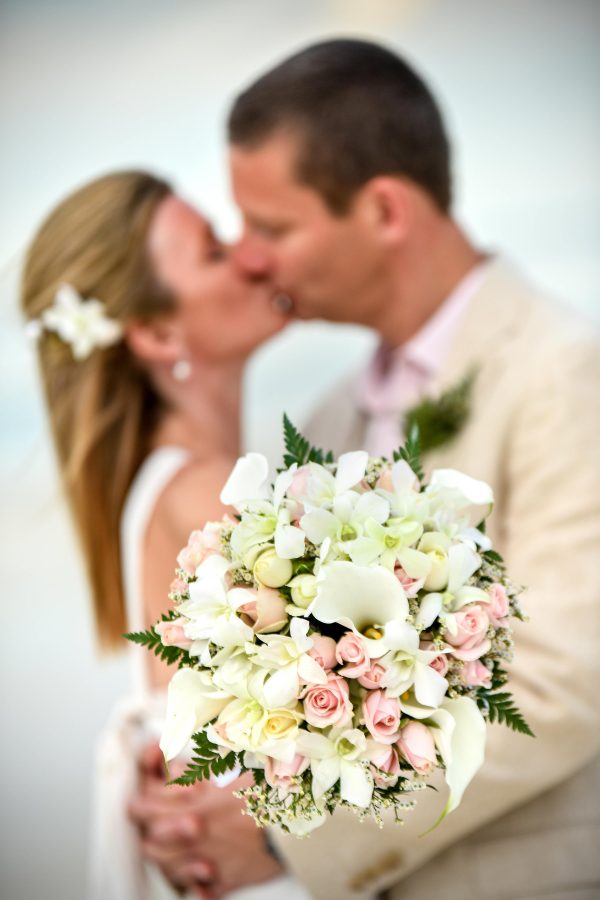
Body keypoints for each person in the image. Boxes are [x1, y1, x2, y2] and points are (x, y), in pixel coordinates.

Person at [132, 39, 600, 899]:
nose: (249, 259)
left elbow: (565, 682)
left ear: (384, 210)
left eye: (272, 226)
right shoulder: (326, 422)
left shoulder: (565, 371)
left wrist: (284, 840)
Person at [20, 170, 294, 899]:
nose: (250, 255)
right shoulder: (204, 494)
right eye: (212, 250)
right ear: (157, 332)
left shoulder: (171, 484)